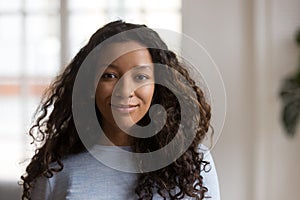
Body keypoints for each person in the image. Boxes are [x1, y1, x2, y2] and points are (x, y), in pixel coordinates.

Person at [20, 20, 220, 200]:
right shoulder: (56, 171)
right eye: (110, 75)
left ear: (158, 85)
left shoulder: (191, 163)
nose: (125, 91)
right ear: (90, 85)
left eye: (140, 77)